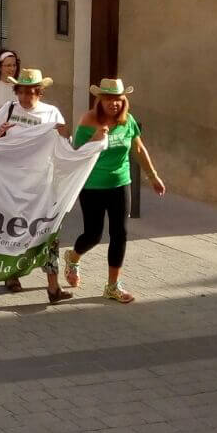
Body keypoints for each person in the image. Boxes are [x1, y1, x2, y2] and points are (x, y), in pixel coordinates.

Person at [65, 78, 165, 303]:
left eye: (118, 99)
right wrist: (96, 137)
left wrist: (153, 176)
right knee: (93, 234)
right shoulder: (89, 120)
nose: (114, 104)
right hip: (92, 185)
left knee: (120, 233)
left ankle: (112, 286)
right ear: (100, 100)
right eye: (109, 99)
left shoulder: (127, 121)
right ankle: (73, 256)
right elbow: (76, 152)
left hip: (121, 183)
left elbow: (139, 149)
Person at [0, 69, 73, 299]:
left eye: (30, 92)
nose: (25, 97)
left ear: (39, 92)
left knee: (47, 230)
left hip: (42, 185)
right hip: (11, 183)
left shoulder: (51, 113)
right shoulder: (9, 109)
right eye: (21, 92)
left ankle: (53, 285)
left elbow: (65, 145)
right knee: (14, 228)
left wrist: (64, 134)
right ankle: (11, 273)